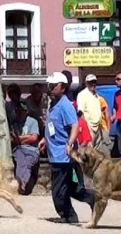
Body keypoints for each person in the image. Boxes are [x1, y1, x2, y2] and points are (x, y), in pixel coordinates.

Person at [40, 71, 94, 224]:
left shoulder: (65, 105)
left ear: (62, 87)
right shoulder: (53, 104)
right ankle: (93, 198)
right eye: (49, 85)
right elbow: (54, 127)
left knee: (58, 189)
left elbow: (75, 126)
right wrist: (45, 139)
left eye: (53, 86)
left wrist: (70, 143)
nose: (49, 88)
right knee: (70, 187)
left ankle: (68, 215)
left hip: (62, 155)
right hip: (54, 153)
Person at [10, 101, 40, 194]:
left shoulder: (32, 121)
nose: (19, 111)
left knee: (27, 161)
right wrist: (27, 136)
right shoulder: (13, 123)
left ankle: (21, 184)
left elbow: (34, 138)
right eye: (17, 109)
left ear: (26, 110)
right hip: (18, 149)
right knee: (21, 160)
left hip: (32, 150)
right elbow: (12, 139)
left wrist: (20, 139)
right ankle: (22, 185)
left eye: (21, 109)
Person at [76, 74, 102, 143]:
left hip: (97, 128)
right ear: (86, 83)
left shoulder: (96, 95)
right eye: (90, 82)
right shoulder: (82, 94)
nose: (93, 84)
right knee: (88, 151)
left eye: (94, 82)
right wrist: (85, 130)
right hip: (89, 128)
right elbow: (80, 113)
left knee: (96, 152)